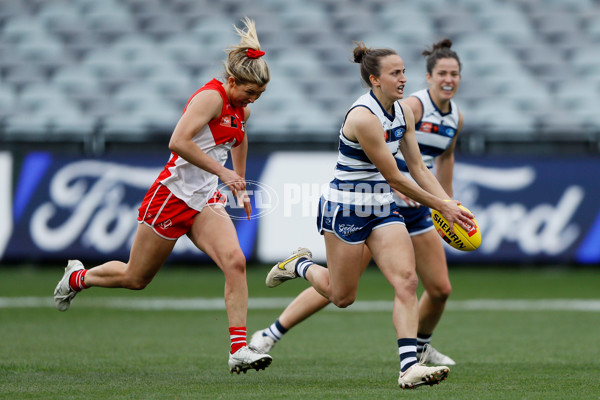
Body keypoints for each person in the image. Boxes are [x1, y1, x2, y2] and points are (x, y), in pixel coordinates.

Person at [53, 17, 273, 375]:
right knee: (136, 278)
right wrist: (223, 172)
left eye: (259, 95)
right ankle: (78, 277)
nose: (254, 99)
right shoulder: (210, 98)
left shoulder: (240, 107)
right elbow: (178, 142)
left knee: (235, 261)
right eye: (250, 92)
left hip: (205, 200)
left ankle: (238, 350)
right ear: (232, 81)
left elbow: (240, 136)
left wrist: (241, 181)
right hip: (171, 196)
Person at [258, 41, 474, 389]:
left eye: (404, 71)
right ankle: (298, 264)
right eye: (396, 73)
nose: (404, 78)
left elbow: (418, 166)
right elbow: (395, 176)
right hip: (346, 208)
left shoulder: (402, 111)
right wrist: (442, 205)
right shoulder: (363, 117)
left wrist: (448, 203)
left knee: (406, 281)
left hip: (383, 208)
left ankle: (408, 367)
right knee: (342, 296)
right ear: (375, 80)